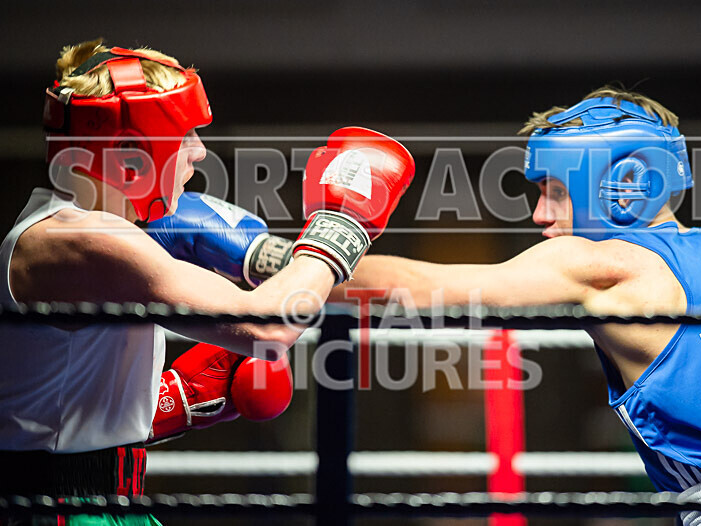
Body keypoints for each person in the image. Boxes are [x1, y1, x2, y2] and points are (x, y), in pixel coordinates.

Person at [172, 85, 701, 525]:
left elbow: (412, 290)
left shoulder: (599, 262)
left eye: (555, 191)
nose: (539, 214)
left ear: (620, 186)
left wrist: (261, 253)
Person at [0, 38, 414, 524]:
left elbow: (47, 404)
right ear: (130, 149)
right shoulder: (82, 240)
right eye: (184, 134)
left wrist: (178, 399)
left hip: (87, 498)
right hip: (61, 510)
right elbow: (268, 328)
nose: (198, 153)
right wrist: (341, 225)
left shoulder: (73, 228)